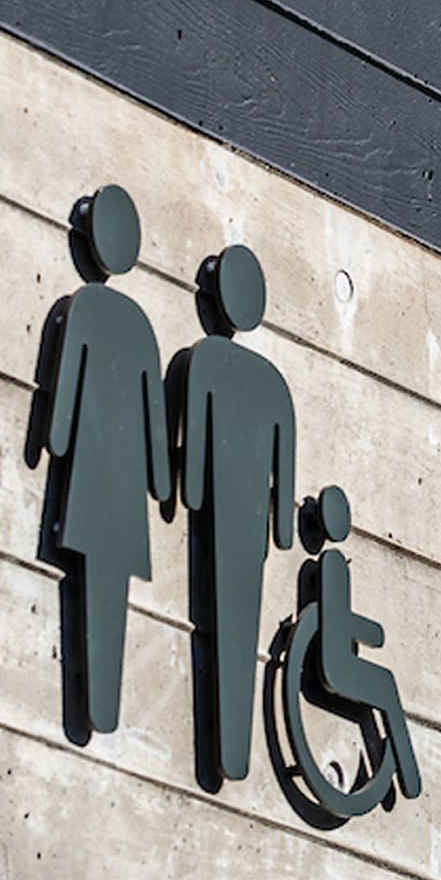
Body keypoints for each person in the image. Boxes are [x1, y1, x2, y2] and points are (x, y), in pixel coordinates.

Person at [43, 186, 171, 736]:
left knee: (95, 591)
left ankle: (98, 707)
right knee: (110, 599)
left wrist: (51, 441)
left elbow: (63, 405)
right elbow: (156, 430)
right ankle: (102, 707)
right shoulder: (142, 327)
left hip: (92, 479)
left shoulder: (90, 308)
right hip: (125, 496)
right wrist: (166, 487)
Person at [175, 244, 296, 784]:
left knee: (218, 613)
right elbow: (285, 471)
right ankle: (233, 747)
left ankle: (228, 748)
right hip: (254, 523)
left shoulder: (205, 361)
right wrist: (285, 529)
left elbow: (195, 454)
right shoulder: (274, 383)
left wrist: (193, 497)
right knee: (241, 621)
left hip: (221, 508)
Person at [302, 485, 421, 803]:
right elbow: (346, 623)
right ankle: (407, 773)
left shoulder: (330, 566)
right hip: (337, 667)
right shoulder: (336, 567)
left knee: (383, 687)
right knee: (385, 684)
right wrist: (374, 633)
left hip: (335, 662)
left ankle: (399, 771)